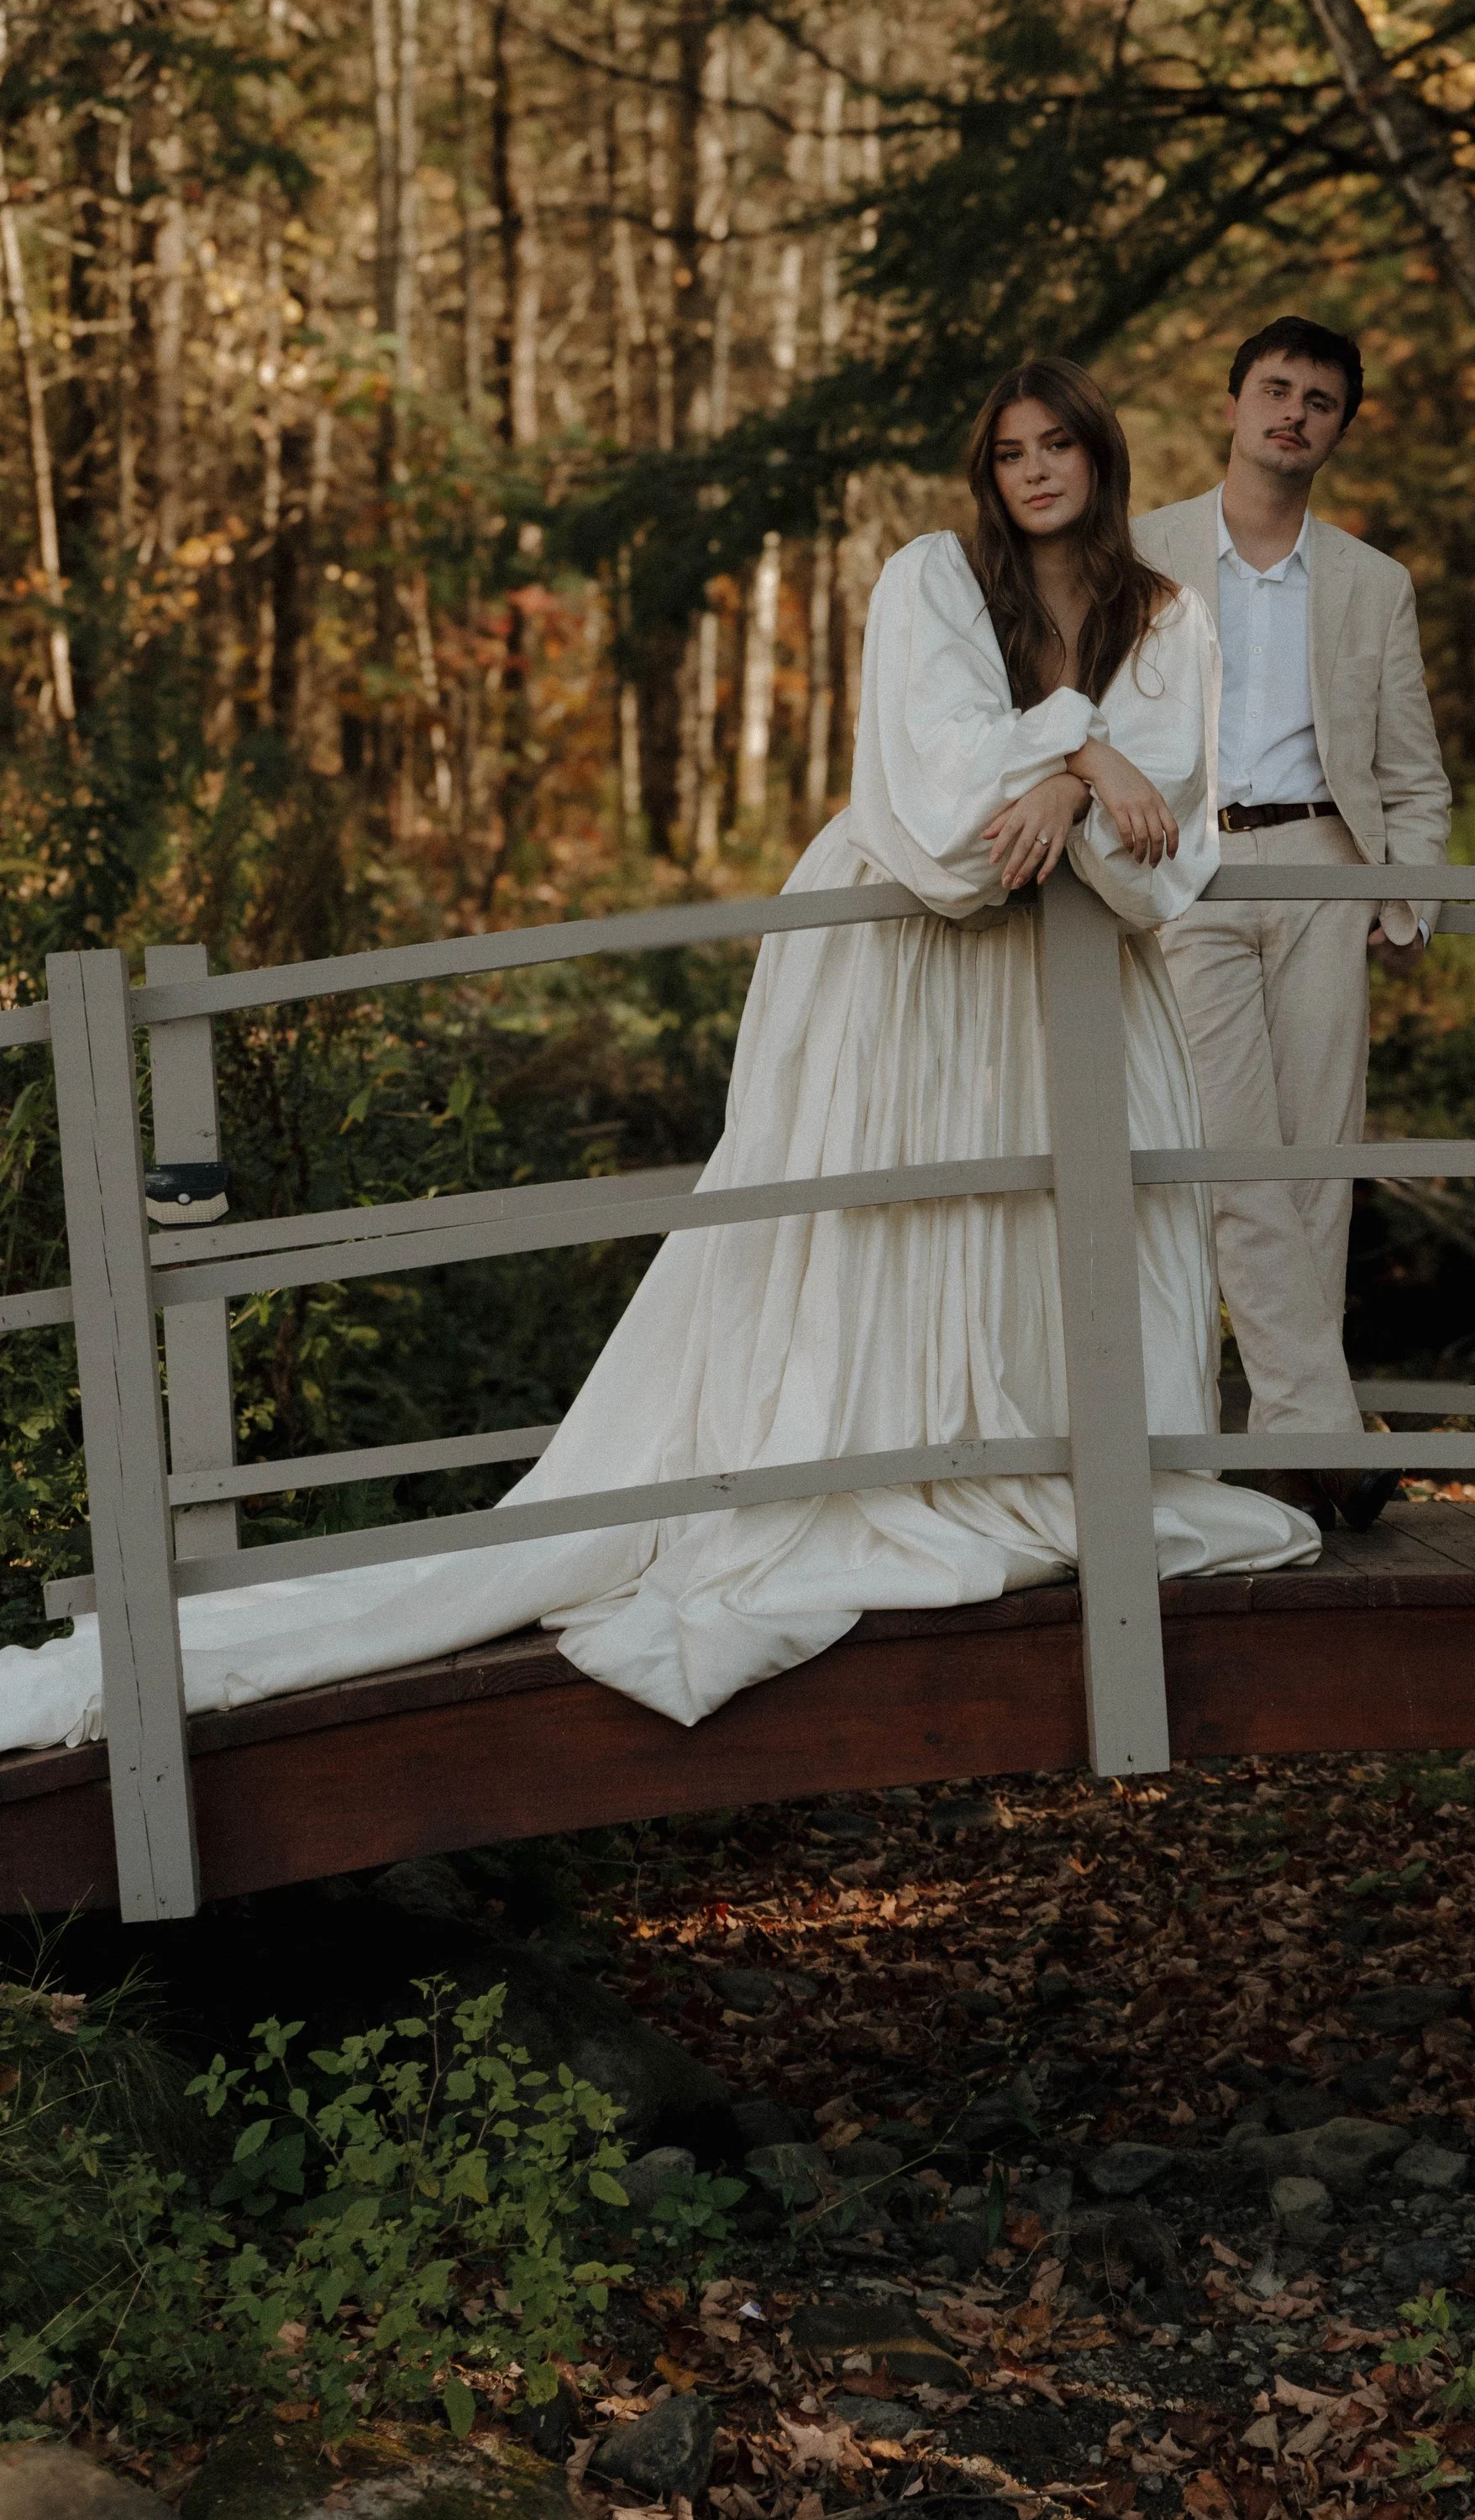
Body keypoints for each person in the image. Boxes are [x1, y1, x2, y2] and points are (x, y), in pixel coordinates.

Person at [0, 359, 1317, 1761]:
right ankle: (874, 1458)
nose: (1038, 470)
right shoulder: (931, 577)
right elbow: (937, 795)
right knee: (891, 1215)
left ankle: (1055, 1462)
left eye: (1061, 445)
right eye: (1010, 452)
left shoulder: (1164, 610)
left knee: (1055, 1213)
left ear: (1103, 459)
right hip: (911, 966)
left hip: (1073, 980)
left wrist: (1071, 773)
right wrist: (1074, 755)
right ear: (985, 473)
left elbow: (1168, 809)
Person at [1134, 317, 1451, 1532]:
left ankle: (1289, 1458)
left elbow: (1414, 773)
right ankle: (1326, 1426)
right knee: (1236, 1154)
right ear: (1232, 403)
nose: (1294, 414)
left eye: (1321, 401)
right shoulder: (1146, 548)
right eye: (1276, 390)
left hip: (1326, 858)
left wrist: (1407, 895)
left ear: (1337, 427)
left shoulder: (1374, 581)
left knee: (1321, 1159)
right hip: (1191, 865)